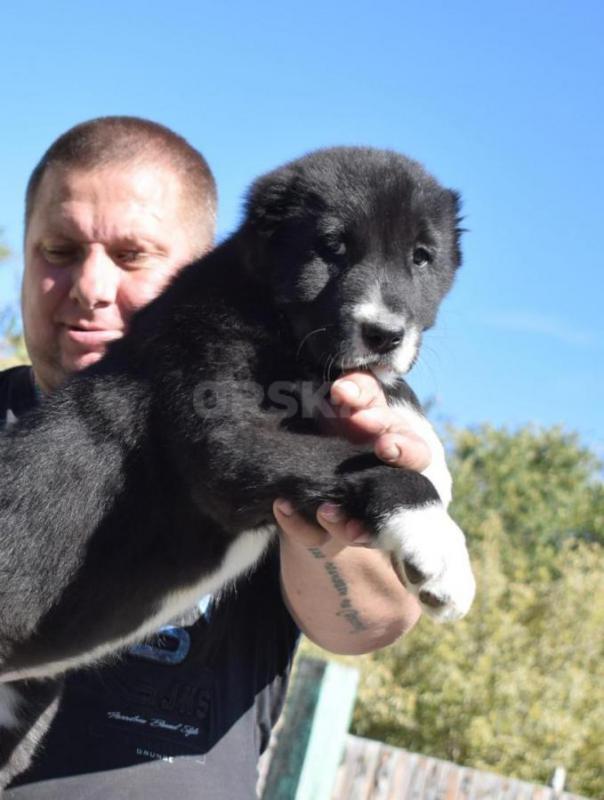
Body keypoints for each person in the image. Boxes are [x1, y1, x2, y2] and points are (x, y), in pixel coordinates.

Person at [0, 117, 433, 798]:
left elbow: (371, 622)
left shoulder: (294, 418)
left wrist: (364, 479)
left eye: (131, 254)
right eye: (58, 250)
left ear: (202, 267)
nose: (89, 286)